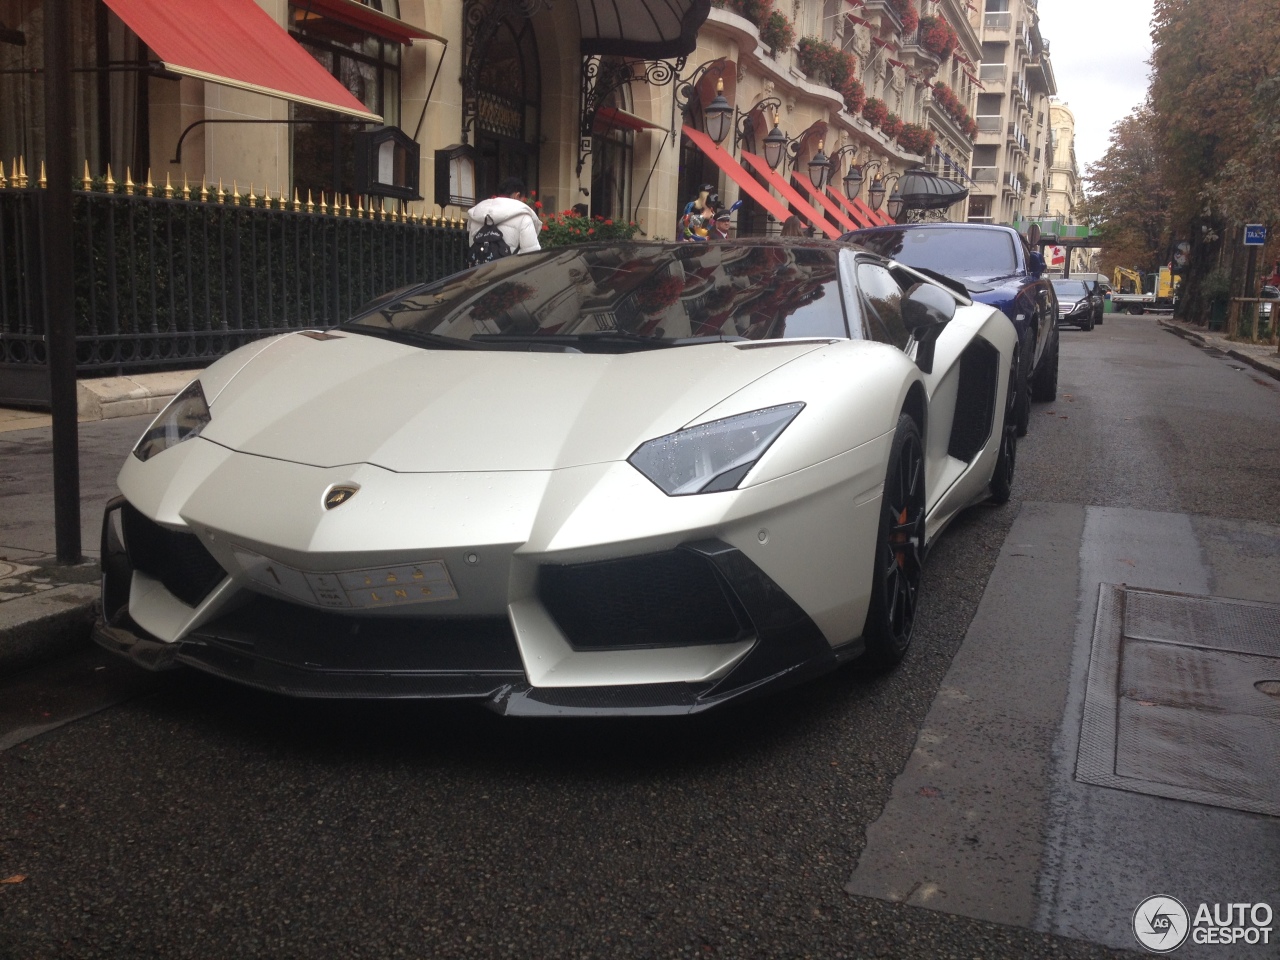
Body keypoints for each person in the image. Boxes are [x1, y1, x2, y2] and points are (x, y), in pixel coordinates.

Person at [466, 176, 542, 257]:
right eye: (522, 200)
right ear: (517, 196)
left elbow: (472, 246)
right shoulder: (523, 217)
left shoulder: (476, 215)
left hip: (482, 269)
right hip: (510, 269)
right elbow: (531, 255)